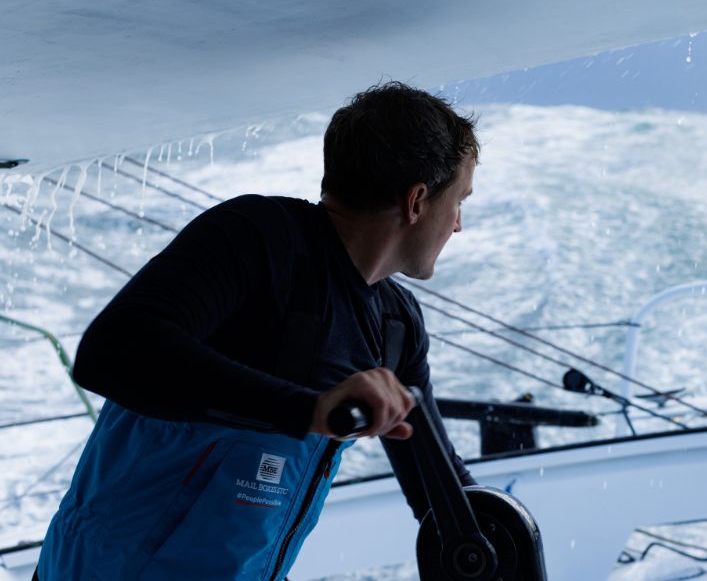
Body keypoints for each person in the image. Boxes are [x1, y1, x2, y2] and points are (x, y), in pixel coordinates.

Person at [36, 82, 479, 580]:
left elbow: (439, 485)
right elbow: (113, 350)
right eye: (458, 201)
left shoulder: (396, 326)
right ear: (417, 200)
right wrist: (309, 410)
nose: (457, 225)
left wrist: (490, 536)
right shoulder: (260, 238)